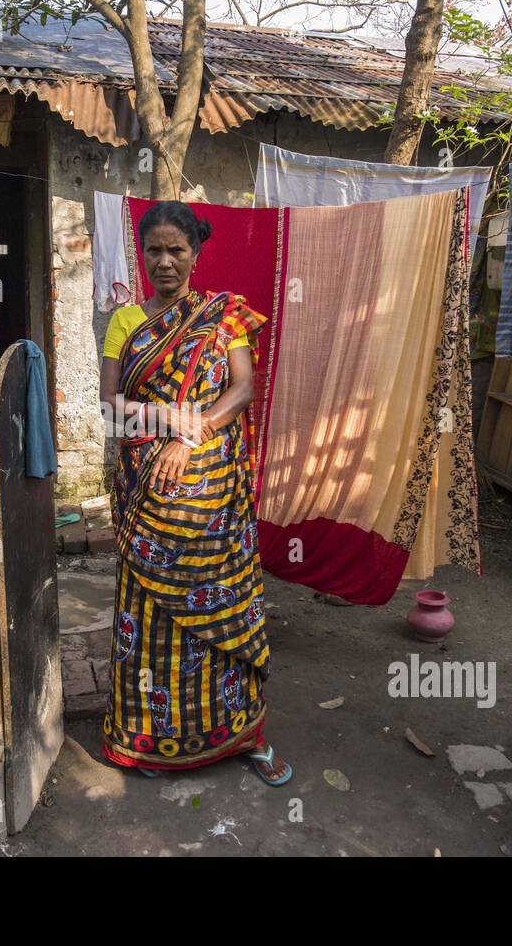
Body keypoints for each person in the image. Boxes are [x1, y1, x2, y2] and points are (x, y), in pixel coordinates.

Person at [97, 200, 292, 785]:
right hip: (147, 493)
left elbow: (242, 389)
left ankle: (239, 734)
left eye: (175, 250)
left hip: (213, 498)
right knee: (152, 618)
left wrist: (194, 432)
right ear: (141, 254)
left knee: (220, 608)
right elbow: (112, 411)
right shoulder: (126, 322)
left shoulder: (222, 315)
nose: (164, 262)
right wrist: (172, 419)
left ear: (195, 252)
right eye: (153, 250)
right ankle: (151, 742)